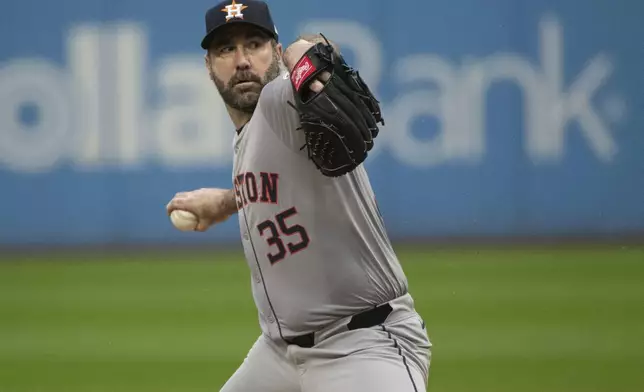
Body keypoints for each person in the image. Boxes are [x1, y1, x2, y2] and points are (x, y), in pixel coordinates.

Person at [166, 1, 432, 391]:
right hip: (280, 355)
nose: (242, 61)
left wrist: (305, 55)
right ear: (209, 66)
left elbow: (320, 50)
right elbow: (270, 183)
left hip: (363, 346)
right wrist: (222, 203)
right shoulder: (247, 136)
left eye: (254, 44)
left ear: (275, 52)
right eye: (226, 49)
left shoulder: (283, 100)